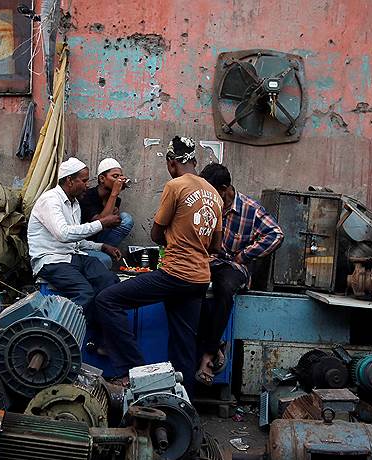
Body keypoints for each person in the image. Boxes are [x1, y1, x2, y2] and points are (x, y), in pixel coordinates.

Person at [95, 137, 223, 393]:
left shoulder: (175, 186)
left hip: (175, 273)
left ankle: (134, 372)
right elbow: (215, 246)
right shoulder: (214, 194)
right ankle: (184, 406)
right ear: (195, 161)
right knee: (183, 344)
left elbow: (155, 235)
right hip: (199, 278)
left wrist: (174, 236)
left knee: (107, 301)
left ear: (171, 162)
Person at [194, 163, 284, 385]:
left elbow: (276, 234)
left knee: (224, 289)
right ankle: (214, 345)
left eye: (213, 192)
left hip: (234, 267)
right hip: (208, 263)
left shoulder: (250, 208)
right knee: (192, 286)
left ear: (225, 189)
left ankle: (208, 354)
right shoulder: (205, 205)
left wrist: (244, 256)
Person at [27, 157, 122, 328]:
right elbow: (64, 234)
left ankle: (102, 337)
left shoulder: (74, 204)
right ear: (69, 180)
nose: (87, 185)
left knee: (110, 281)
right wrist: (102, 223)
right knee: (85, 292)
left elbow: (76, 240)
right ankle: (57, 334)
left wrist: (101, 247)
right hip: (51, 261)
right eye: (84, 180)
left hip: (72, 257)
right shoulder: (50, 200)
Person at [79, 158, 134, 269]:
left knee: (126, 219)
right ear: (102, 178)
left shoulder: (116, 200)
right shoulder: (88, 195)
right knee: (105, 261)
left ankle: (105, 251)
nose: (119, 180)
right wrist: (114, 193)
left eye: (120, 176)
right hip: (83, 242)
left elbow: (109, 226)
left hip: (101, 240)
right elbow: (99, 223)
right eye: (115, 176)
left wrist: (114, 196)